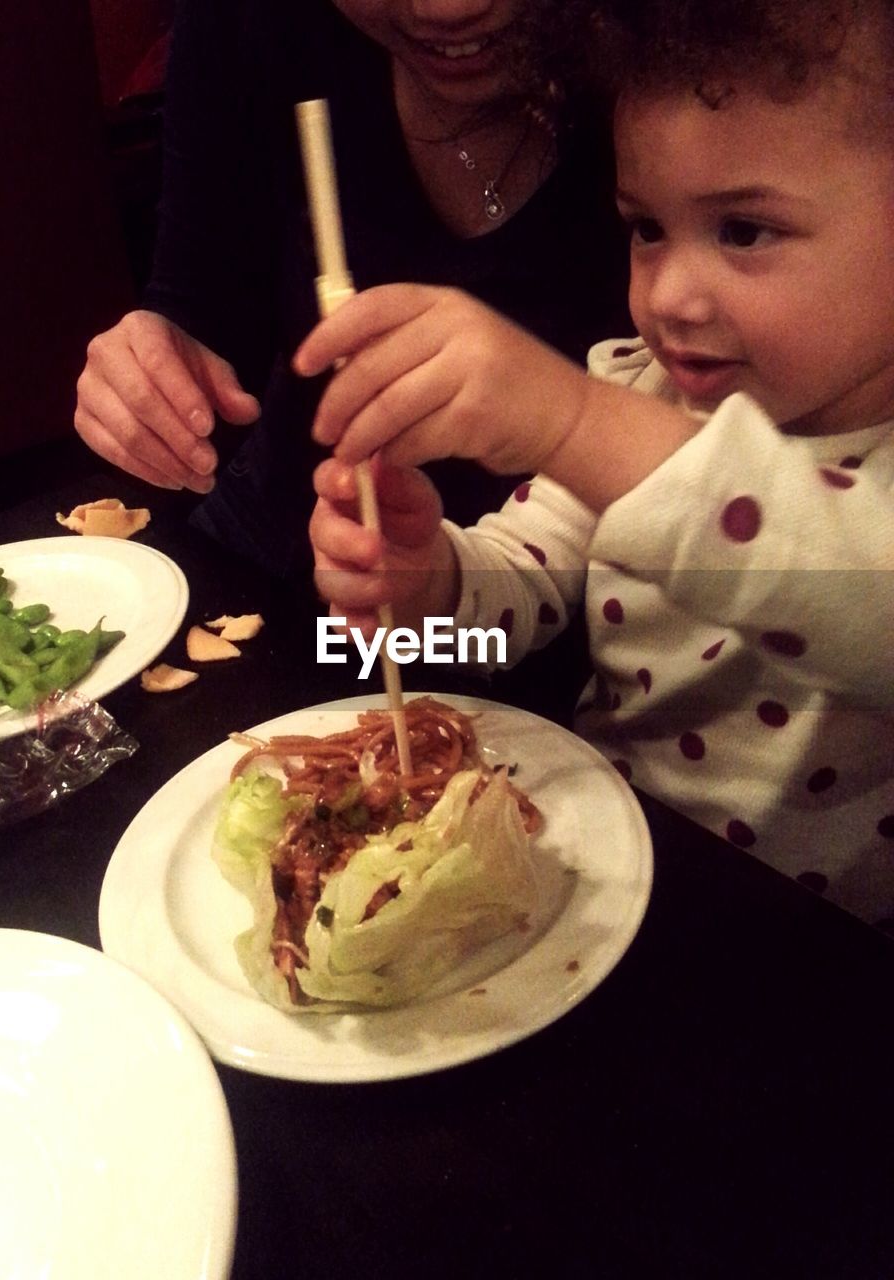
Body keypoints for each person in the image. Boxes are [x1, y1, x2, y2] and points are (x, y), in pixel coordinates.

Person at [299, 0, 894, 927]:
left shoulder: (628, 423)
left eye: (743, 231)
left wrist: (575, 422)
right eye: (647, 227)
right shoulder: (648, 389)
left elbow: (863, 604)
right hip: (601, 885)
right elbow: (521, 592)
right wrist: (431, 586)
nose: (667, 295)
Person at [73, 0, 630, 578]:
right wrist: (156, 367)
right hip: (283, 565)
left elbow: (721, 493)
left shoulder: (698, 59)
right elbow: (201, 301)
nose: (447, 9)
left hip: (609, 612)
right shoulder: (249, 23)